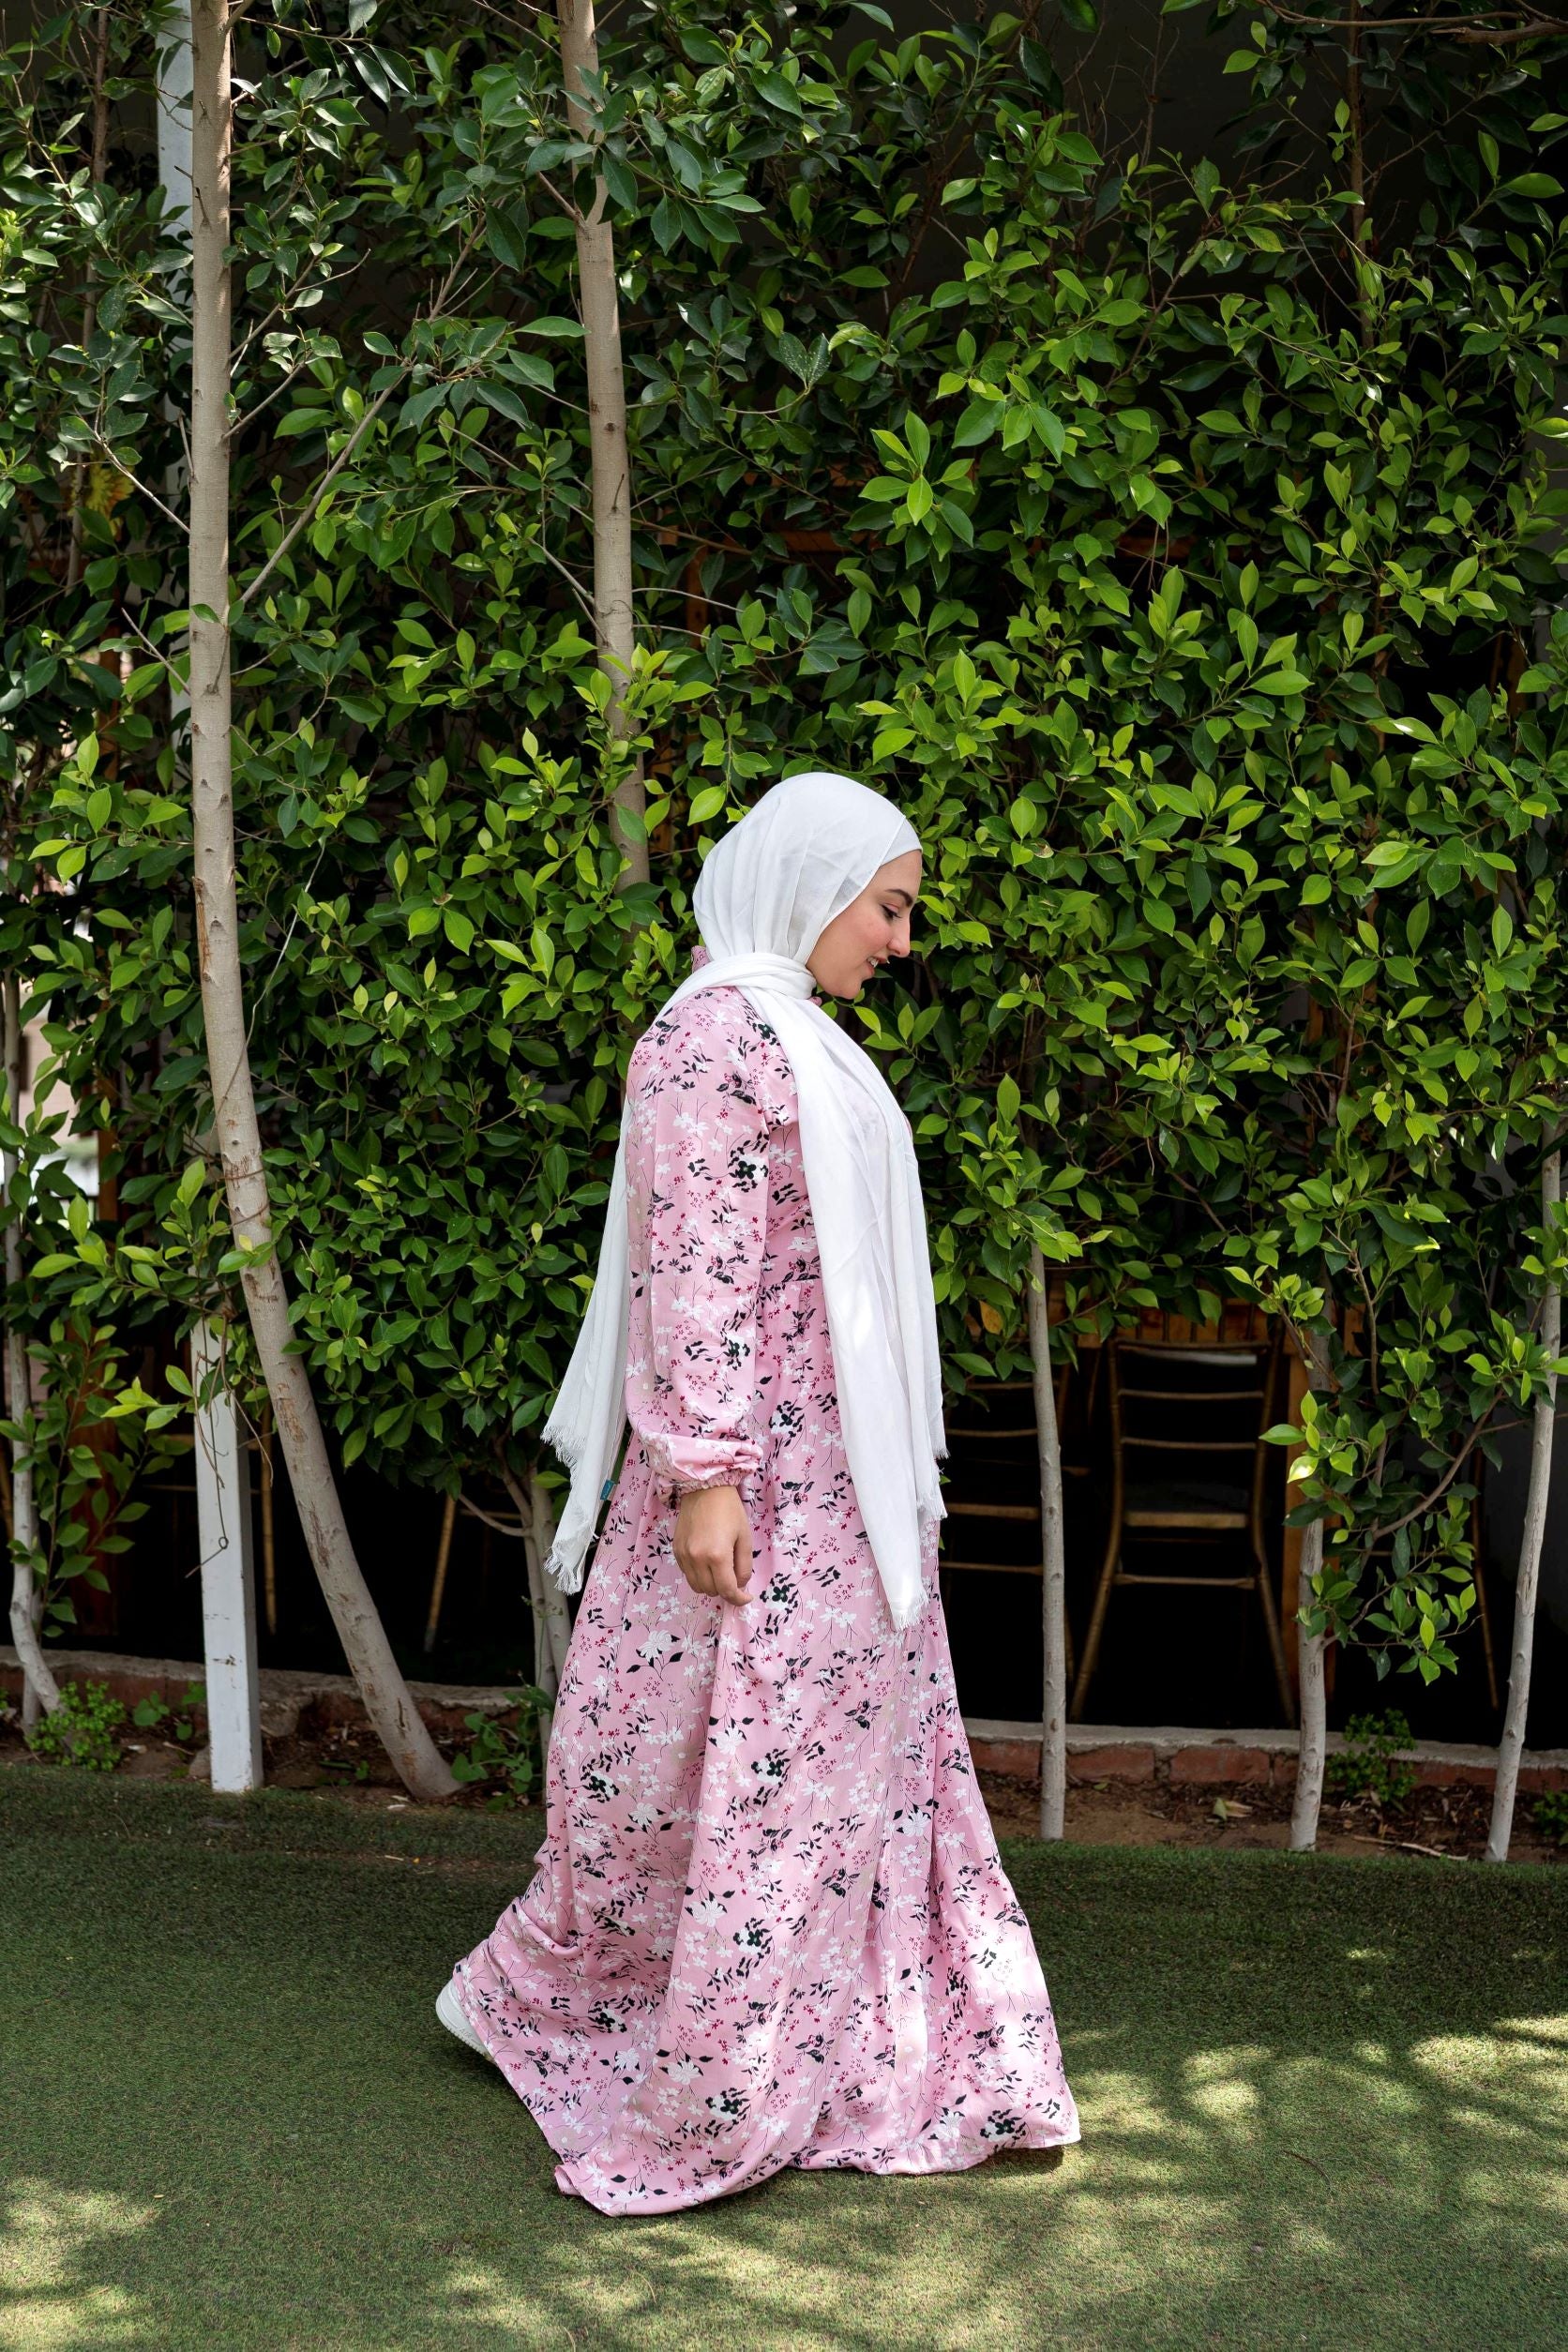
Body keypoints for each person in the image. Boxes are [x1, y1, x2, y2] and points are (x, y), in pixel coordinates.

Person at [438, 770, 1079, 2214]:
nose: (902, 943)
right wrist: (704, 1475)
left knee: (811, 1776)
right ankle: (644, 2039)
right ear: (810, 879)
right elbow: (699, 1261)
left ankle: (833, 2048)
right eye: (892, 906)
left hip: (836, 1501)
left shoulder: (788, 1034)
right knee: (698, 1773)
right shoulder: (718, 1038)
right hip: (757, 1500)